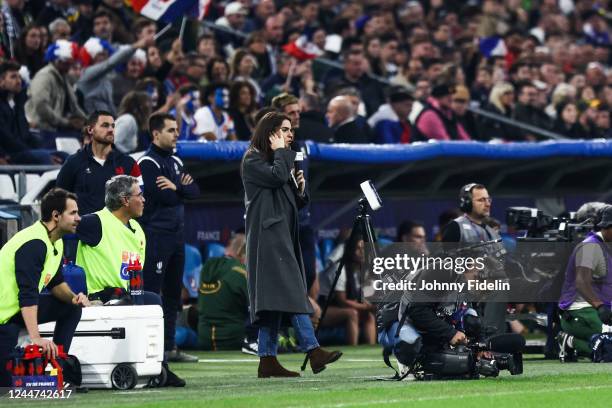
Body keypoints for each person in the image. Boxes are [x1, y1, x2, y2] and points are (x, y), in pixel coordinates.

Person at [241, 111, 342, 377]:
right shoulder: (253, 158)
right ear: (270, 133)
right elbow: (275, 178)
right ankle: (313, 349)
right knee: (294, 293)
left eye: (290, 131)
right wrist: (281, 155)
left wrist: (300, 190)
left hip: (281, 236)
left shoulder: (277, 160)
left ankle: (267, 361)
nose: (290, 135)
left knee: (274, 301)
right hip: (268, 239)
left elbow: (288, 200)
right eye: (284, 130)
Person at [75, 175, 185, 386]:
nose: (144, 199)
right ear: (125, 200)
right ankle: (160, 368)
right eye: (139, 195)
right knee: (153, 300)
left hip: (125, 295)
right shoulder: (95, 222)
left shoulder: (137, 230)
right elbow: (62, 226)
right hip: (100, 296)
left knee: (150, 299)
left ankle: (155, 366)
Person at [0, 188, 87, 387]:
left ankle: (57, 364)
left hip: (15, 312)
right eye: (73, 213)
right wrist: (36, 338)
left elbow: (55, 282)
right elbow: (27, 293)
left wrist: (73, 297)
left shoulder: (55, 241)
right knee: (6, 387)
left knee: (71, 308)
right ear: (56, 216)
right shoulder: (34, 243)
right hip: (3, 317)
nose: (78, 218)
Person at [138, 113, 200, 363]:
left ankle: (169, 347)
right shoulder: (147, 162)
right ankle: (149, 350)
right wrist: (180, 190)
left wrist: (177, 188)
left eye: (177, 130)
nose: (177, 134)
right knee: (152, 293)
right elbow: (161, 196)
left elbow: (195, 191)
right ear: (156, 134)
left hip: (177, 235)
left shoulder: (175, 160)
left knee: (174, 293)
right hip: (156, 235)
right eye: (171, 130)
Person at [442, 183, 507, 335]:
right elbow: (446, 263)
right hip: (461, 287)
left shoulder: (493, 232)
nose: (487, 203)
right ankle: (489, 339)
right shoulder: (455, 227)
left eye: (488, 199)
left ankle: (494, 339)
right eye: (481, 200)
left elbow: (501, 264)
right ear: (467, 203)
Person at [56, 110, 141, 217]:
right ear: (90, 129)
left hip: (117, 230)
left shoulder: (128, 163)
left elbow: (140, 199)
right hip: (84, 231)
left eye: (113, 126)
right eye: (105, 126)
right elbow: (59, 199)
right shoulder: (74, 162)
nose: (110, 130)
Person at [557, 205, 612, 362]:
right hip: (579, 311)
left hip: (600, 309)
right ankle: (569, 341)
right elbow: (581, 282)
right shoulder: (590, 247)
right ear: (607, 227)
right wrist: (600, 307)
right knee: (607, 348)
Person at [0, 61, 64, 164]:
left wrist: (39, 150)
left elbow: (26, 134)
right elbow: (6, 138)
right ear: (1, 81)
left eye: (19, 77)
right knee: (45, 158)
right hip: (9, 154)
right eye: (13, 77)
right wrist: (34, 152)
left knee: (63, 155)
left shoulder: (17, 103)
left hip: (23, 151)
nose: (18, 81)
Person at [25, 39, 86, 142]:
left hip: (54, 128)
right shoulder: (45, 77)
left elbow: (74, 106)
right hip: (40, 130)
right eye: (67, 63)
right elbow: (41, 107)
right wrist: (67, 123)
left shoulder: (63, 77)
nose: (69, 67)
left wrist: (89, 122)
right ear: (58, 61)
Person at [197, 233, 249, 350]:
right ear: (242, 251)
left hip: (204, 339)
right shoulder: (242, 272)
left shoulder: (206, 266)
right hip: (233, 340)